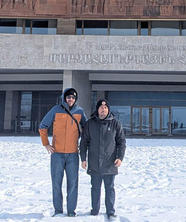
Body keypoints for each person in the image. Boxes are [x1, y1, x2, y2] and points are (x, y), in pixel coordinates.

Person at [39, 87, 87, 217]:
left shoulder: (80, 111)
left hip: (73, 154)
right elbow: (43, 126)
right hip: (57, 154)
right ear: (64, 98)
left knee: (73, 184)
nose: (70, 99)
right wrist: (46, 144)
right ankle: (58, 211)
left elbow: (86, 129)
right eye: (68, 97)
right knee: (56, 184)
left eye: (73, 97)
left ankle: (71, 211)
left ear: (75, 99)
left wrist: (83, 145)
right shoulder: (56, 110)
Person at [79, 99, 126, 220]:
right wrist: (83, 159)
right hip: (94, 162)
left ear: (108, 109)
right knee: (95, 188)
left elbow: (121, 143)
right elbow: (84, 142)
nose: (103, 110)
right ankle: (95, 210)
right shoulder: (90, 124)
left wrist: (120, 158)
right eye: (101, 107)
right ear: (97, 109)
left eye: (105, 108)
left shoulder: (116, 124)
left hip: (110, 162)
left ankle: (110, 211)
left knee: (109, 188)